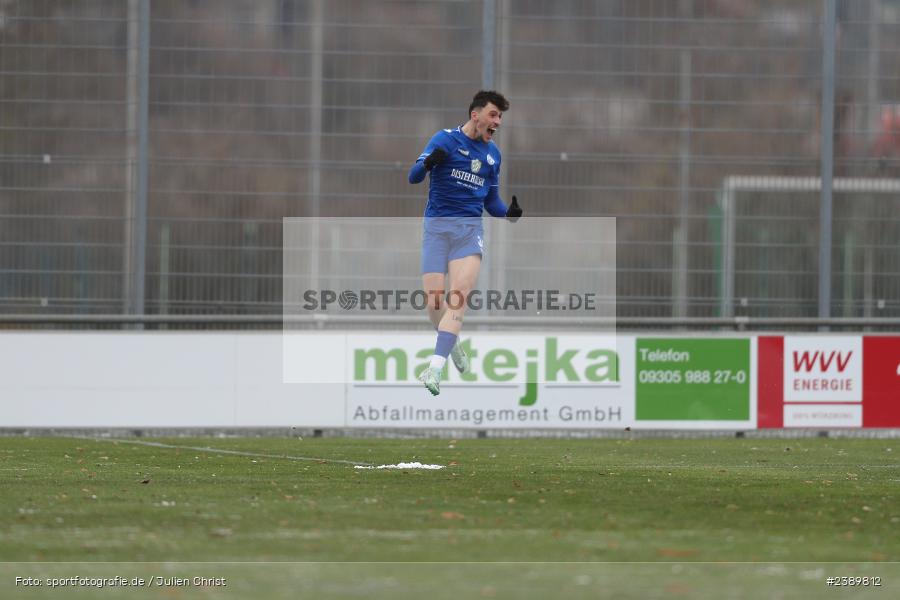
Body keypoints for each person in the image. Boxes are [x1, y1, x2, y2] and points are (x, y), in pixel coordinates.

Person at [408, 90, 522, 396]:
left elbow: (491, 201)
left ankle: (434, 367)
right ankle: (452, 340)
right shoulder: (444, 140)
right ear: (476, 115)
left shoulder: (493, 155)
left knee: (458, 297)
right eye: (493, 115)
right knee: (435, 301)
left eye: (500, 117)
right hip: (437, 230)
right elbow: (413, 177)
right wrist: (429, 162)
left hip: (469, 233)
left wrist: (507, 213)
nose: (497, 122)